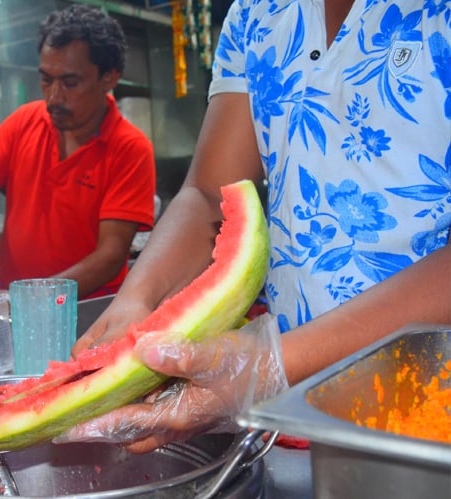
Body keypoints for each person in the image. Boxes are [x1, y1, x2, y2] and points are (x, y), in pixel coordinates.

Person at [62, 1, 451, 453]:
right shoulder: (254, 14)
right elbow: (212, 192)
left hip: (433, 416)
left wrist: (271, 365)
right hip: (292, 414)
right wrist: (139, 301)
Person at [0, 5, 157, 300]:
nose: (53, 96)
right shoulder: (24, 121)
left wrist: (28, 298)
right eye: (46, 79)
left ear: (109, 78)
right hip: (13, 303)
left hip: (88, 309)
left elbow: (110, 257)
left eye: (70, 83)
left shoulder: (130, 149)